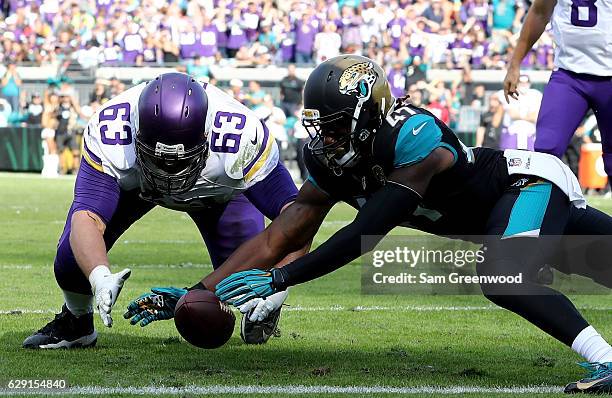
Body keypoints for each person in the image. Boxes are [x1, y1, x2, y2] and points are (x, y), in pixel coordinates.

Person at [190, 55, 611, 394]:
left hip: (526, 184)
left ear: (368, 112)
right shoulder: (328, 158)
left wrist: (283, 277)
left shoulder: (412, 134)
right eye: (321, 126)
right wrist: (201, 290)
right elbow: (281, 233)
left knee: (503, 274)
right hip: (498, 216)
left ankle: (604, 359)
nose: (327, 139)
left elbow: (363, 233)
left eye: (337, 126)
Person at [22, 72, 301, 349]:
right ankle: (77, 322)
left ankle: (263, 303)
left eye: (179, 161)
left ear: (207, 135)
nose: (169, 172)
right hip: (140, 187)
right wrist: (99, 277)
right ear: (137, 131)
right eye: (159, 158)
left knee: (248, 280)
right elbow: (87, 217)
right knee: (73, 256)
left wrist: (278, 283)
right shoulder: (113, 128)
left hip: (219, 193)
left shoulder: (241, 136)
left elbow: (296, 217)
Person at [503, 0, 612, 177]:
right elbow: (539, 12)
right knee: (545, 152)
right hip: (569, 75)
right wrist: (515, 63)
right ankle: (538, 204)